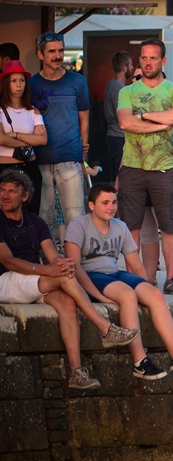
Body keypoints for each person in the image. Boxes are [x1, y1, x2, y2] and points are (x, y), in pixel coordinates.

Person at [0, 171, 138, 390]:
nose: (5, 196)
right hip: (5, 280)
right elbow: (8, 261)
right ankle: (105, 328)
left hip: (32, 281)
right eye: (2, 190)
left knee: (67, 302)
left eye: (11, 191)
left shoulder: (36, 222)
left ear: (24, 196)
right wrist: (49, 270)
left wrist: (62, 264)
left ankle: (76, 372)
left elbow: (53, 255)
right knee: (63, 278)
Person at [66, 182, 173, 380]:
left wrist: (146, 288)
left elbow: (136, 264)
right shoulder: (78, 225)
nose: (111, 207)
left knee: (154, 294)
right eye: (105, 203)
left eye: (114, 202)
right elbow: (74, 266)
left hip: (114, 273)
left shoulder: (120, 226)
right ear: (91, 205)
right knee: (127, 295)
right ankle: (140, 362)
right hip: (90, 276)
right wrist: (97, 296)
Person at [116, 38, 173, 285]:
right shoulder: (127, 92)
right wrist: (162, 123)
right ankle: (134, 279)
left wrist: (144, 116)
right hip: (132, 167)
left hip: (164, 167)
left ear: (163, 60)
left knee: (169, 226)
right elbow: (125, 122)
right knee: (131, 228)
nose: (148, 62)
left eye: (153, 58)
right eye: (144, 58)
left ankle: (171, 278)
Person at [29, 32, 90, 243]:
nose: (57, 55)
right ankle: (50, 267)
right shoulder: (31, 84)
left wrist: (83, 156)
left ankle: (77, 267)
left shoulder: (78, 81)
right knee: (44, 219)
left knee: (75, 218)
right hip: (39, 160)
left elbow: (84, 120)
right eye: (52, 51)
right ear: (40, 54)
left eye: (60, 50)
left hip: (70, 158)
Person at [0, 60, 46, 214]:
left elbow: (42, 139)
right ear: (6, 83)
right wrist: (28, 140)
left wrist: (15, 135)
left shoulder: (33, 111)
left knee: (31, 214)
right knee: (5, 216)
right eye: (14, 81)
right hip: (6, 168)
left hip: (30, 168)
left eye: (22, 80)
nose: (19, 85)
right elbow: (1, 139)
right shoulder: (0, 110)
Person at [104, 51, 133, 177]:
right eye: (131, 65)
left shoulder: (111, 85)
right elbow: (121, 115)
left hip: (113, 135)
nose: (132, 68)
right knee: (120, 175)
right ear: (124, 68)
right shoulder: (119, 88)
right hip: (119, 137)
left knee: (114, 174)